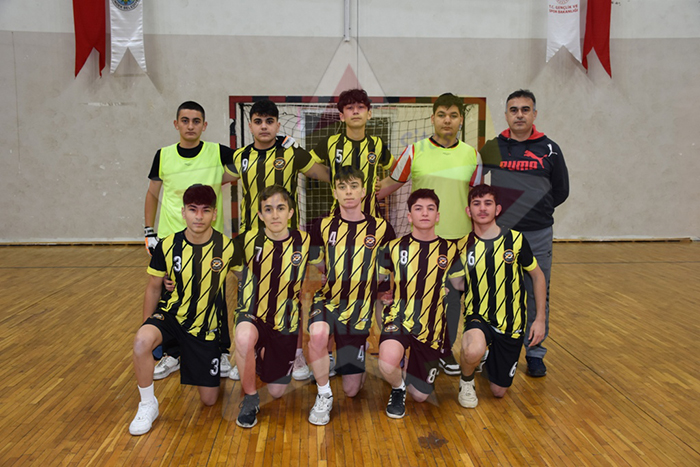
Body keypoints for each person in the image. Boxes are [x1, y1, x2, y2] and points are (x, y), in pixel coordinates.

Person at [224, 99, 330, 382]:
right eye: (258, 121)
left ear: (278, 125)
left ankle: (296, 354)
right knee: (247, 296)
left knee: (292, 297)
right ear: (250, 126)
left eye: (269, 121)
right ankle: (244, 353)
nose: (264, 127)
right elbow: (213, 178)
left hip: (288, 241)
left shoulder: (291, 152)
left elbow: (324, 174)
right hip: (251, 242)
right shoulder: (241, 156)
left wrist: (353, 179)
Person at [377, 93, 482, 376]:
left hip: (458, 242)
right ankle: (411, 346)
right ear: (433, 117)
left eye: (453, 115)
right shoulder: (414, 151)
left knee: (451, 301)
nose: (447, 120)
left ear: (461, 120)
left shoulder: (472, 155)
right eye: (442, 115)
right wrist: (355, 197)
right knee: (417, 298)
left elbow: (477, 198)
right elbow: (389, 185)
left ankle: (445, 350)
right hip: (420, 243)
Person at [129, 184, 235, 436]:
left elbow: (245, 281)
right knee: (141, 342)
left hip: (204, 329)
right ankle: (147, 404)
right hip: (171, 317)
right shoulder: (167, 245)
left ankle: (192, 357)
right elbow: (153, 288)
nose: (199, 216)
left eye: (205, 210)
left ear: (215, 214)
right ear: (183, 212)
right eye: (192, 209)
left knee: (209, 400)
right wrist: (147, 326)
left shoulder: (228, 247)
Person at [479, 89, 569, 377]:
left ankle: (535, 353)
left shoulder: (550, 149)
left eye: (525, 109)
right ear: (506, 115)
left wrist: (535, 210)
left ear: (534, 114)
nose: (519, 115)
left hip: (538, 233)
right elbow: (477, 184)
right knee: (498, 293)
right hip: (501, 234)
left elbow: (561, 190)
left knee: (537, 292)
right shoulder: (493, 147)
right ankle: (495, 350)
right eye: (514, 110)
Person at [144, 101, 234, 380]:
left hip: (209, 240)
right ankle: (173, 353)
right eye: (185, 120)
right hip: (172, 238)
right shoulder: (163, 155)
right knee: (172, 295)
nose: (190, 126)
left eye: (196, 121)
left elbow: (249, 162)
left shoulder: (218, 152)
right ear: (176, 124)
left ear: (204, 125)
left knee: (214, 294)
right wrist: (148, 231)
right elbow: (152, 193)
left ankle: (220, 349)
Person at [307, 166, 395, 426]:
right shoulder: (323, 225)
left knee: (352, 390)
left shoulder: (381, 228)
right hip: (328, 302)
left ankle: (357, 353)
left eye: (354, 186)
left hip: (358, 313)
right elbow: (316, 260)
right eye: (342, 187)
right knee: (318, 335)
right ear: (334, 192)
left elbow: (386, 271)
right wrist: (332, 273)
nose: (348, 192)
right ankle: (323, 395)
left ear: (363, 191)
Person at [233, 186, 321, 428]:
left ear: (290, 212)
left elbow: (327, 267)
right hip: (253, 314)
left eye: (280, 208)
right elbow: (220, 264)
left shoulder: (304, 241)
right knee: (243, 338)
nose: (274, 215)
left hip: (285, 322)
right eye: (268, 209)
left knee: (277, 390)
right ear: (260, 215)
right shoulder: (247, 240)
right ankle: (250, 398)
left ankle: (260, 356)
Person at [452, 184, 546, 408]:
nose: (482, 209)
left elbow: (538, 276)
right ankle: (467, 381)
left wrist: (540, 319)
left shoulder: (515, 240)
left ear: (498, 209)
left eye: (488, 203)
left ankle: (489, 359)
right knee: (472, 349)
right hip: (478, 315)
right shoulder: (462, 245)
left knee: (498, 391)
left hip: (512, 322)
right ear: (468, 211)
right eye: (476, 204)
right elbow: (456, 284)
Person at [377, 189, 463, 419]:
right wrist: (383, 296)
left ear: (437, 216)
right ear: (409, 216)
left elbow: (461, 284)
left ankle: (411, 365)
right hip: (399, 318)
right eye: (418, 208)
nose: (424, 213)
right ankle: (398, 388)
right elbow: (377, 281)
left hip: (431, 329)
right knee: (386, 363)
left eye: (430, 208)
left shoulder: (451, 250)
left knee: (420, 396)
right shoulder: (394, 247)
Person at [310, 88, 394, 217]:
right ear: (342, 116)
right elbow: (305, 164)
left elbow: (398, 169)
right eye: (350, 108)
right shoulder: (330, 142)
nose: (355, 111)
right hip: (338, 218)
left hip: (371, 217)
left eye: (361, 107)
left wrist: (383, 184)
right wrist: (331, 175)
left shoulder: (377, 144)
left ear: (369, 114)